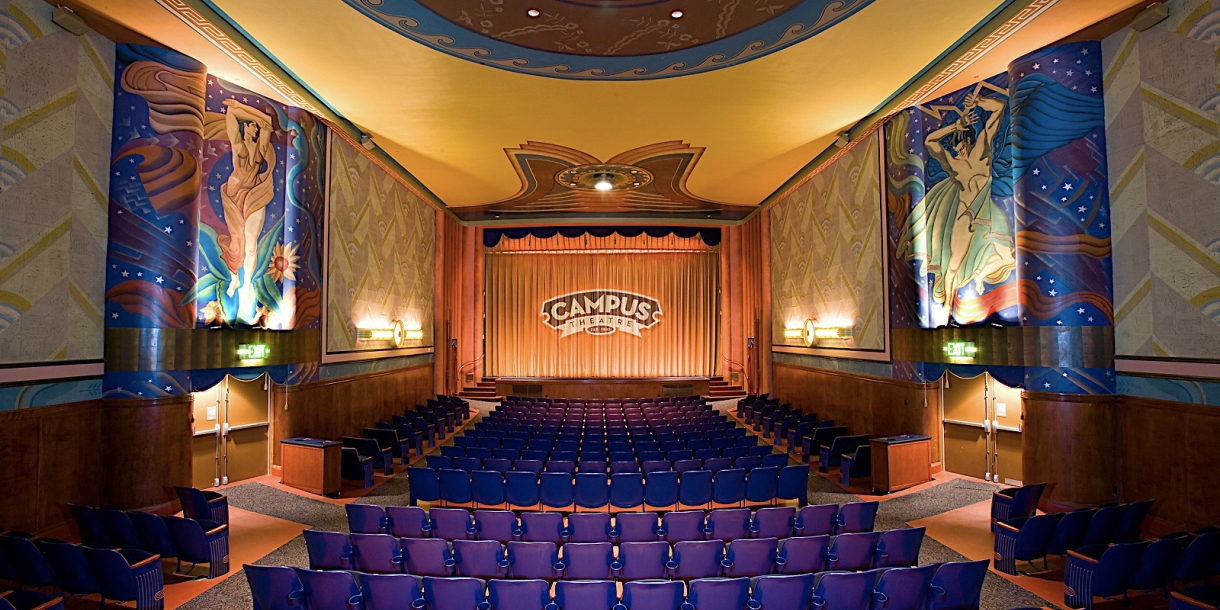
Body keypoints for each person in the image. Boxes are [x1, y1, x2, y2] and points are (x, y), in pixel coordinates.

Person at [899, 90, 1016, 325]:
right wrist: (955, 125)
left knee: (1007, 254)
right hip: (964, 216)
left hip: (987, 213)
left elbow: (1000, 108)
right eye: (956, 143)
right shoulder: (953, 164)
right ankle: (947, 312)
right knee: (952, 264)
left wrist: (979, 102)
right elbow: (930, 142)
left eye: (962, 141)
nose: (959, 147)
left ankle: (986, 295)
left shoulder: (982, 150)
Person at [217, 99, 276, 311]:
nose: (255, 127)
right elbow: (232, 112)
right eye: (251, 124)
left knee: (252, 244)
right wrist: (240, 109)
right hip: (235, 193)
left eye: (255, 125)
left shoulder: (261, 146)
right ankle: (234, 277)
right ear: (244, 127)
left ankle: (248, 283)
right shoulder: (238, 142)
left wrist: (253, 115)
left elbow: (267, 121)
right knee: (237, 241)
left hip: (255, 193)